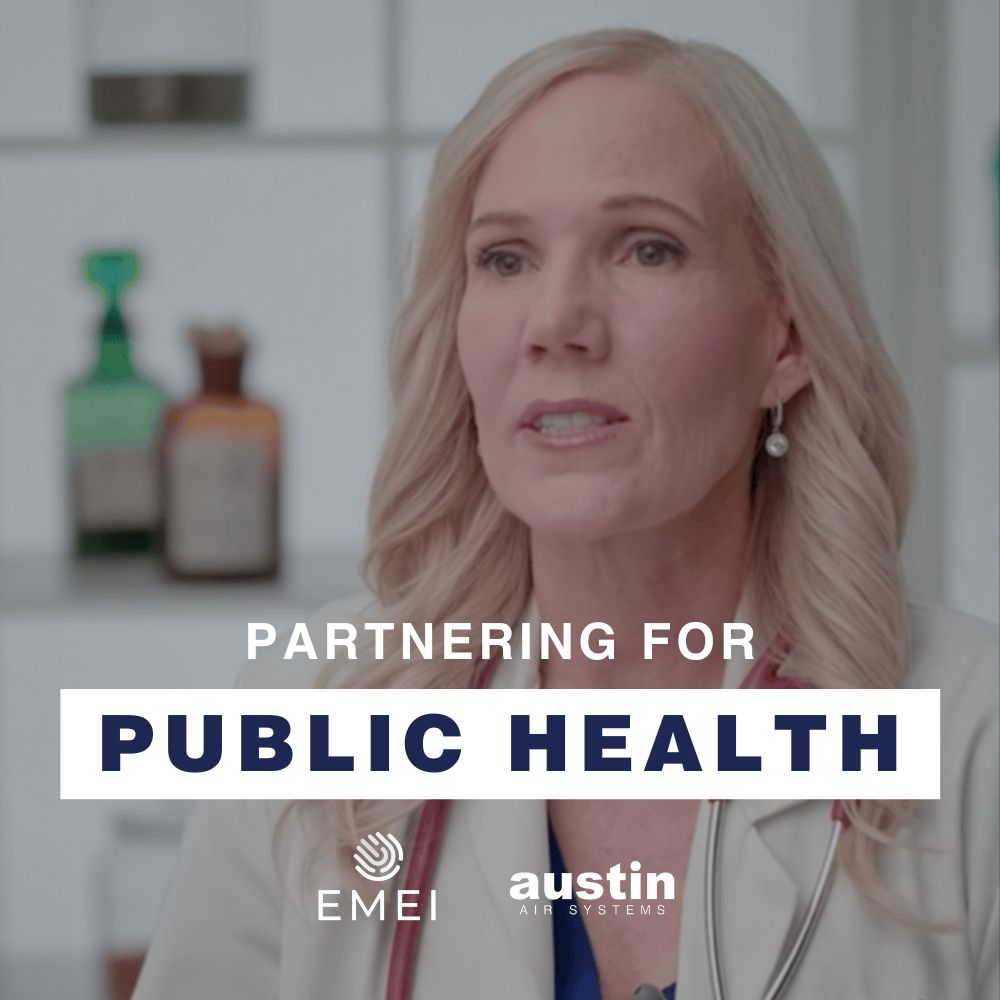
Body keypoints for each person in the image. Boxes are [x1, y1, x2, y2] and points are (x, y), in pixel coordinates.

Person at [132, 28, 998, 1000]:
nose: (556, 323)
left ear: (784, 337)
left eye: (647, 248)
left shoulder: (972, 733)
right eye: (504, 259)